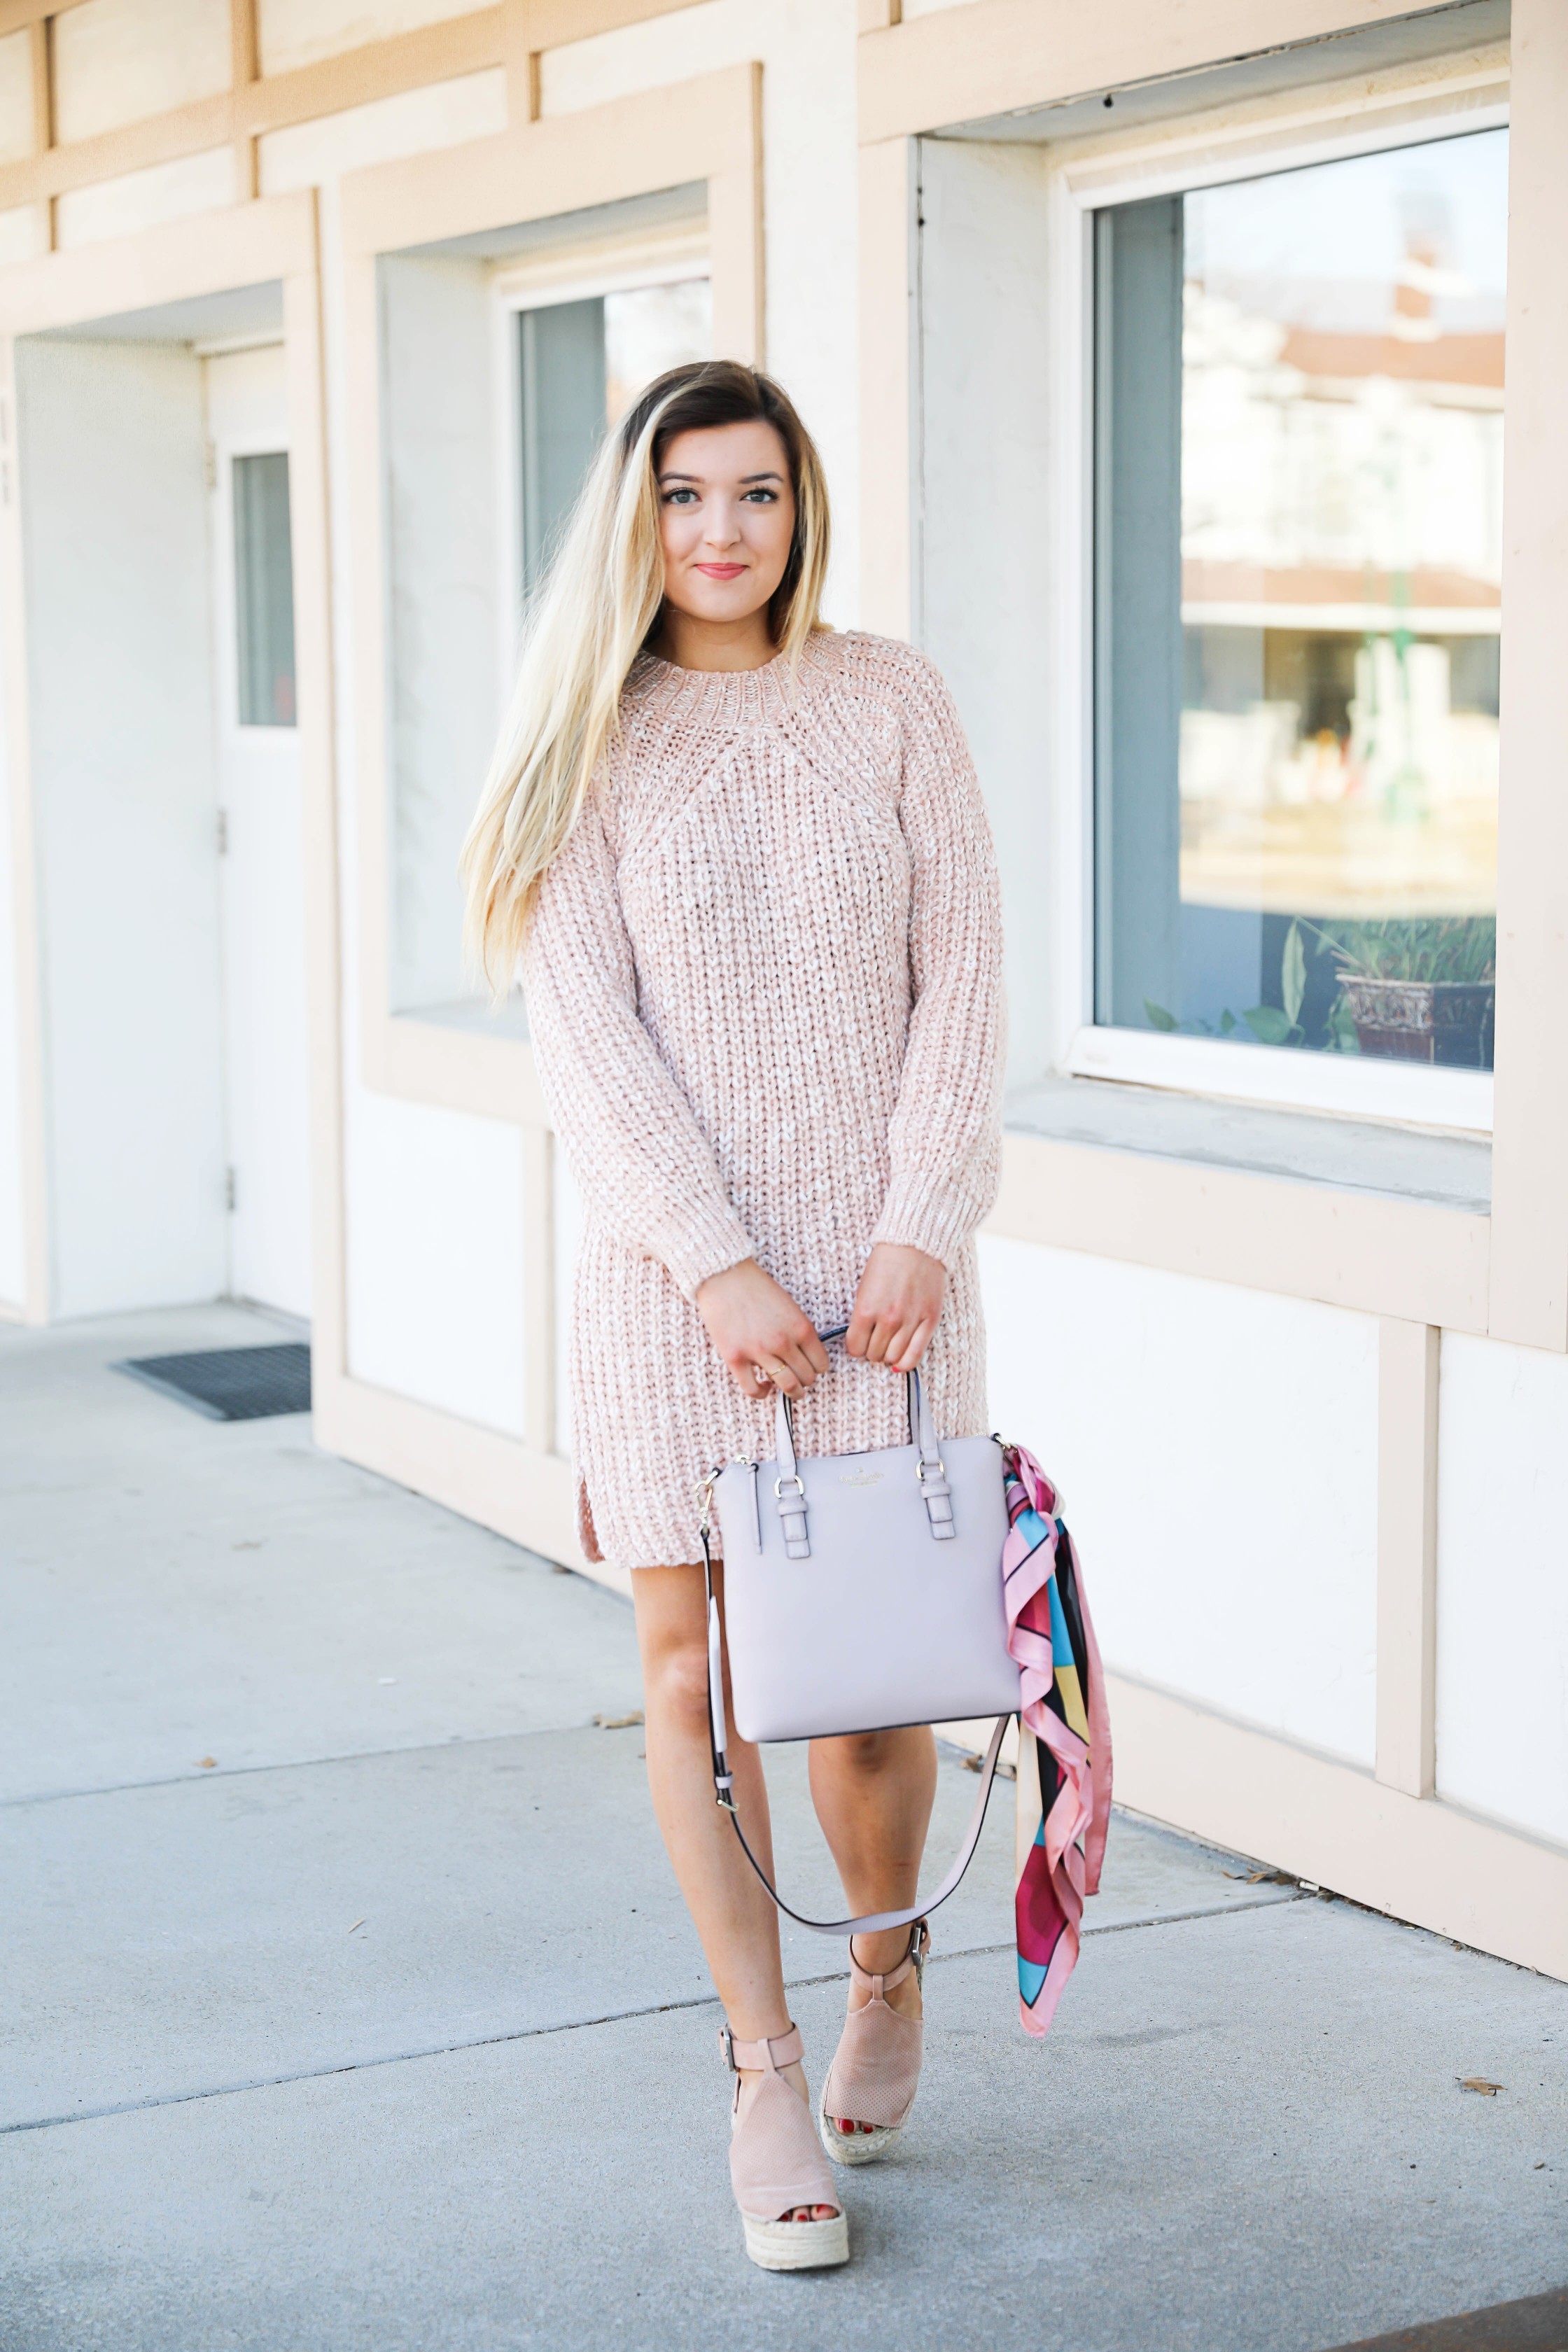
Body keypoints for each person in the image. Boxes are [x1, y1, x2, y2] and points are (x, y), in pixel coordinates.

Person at [462, 359, 1003, 2272]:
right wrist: (713, 1262)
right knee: (694, 1680)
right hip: (665, 1294)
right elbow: (582, 1039)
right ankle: (760, 2068)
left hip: (884, 1294)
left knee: (862, 1681)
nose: (720, 531)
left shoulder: (893, 702)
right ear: (639, 517)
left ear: (802, 507)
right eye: (684, 495)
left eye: (756, 493)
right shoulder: (589, 742)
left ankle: (885, 1964)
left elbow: (967, 984)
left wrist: (922, 1224)